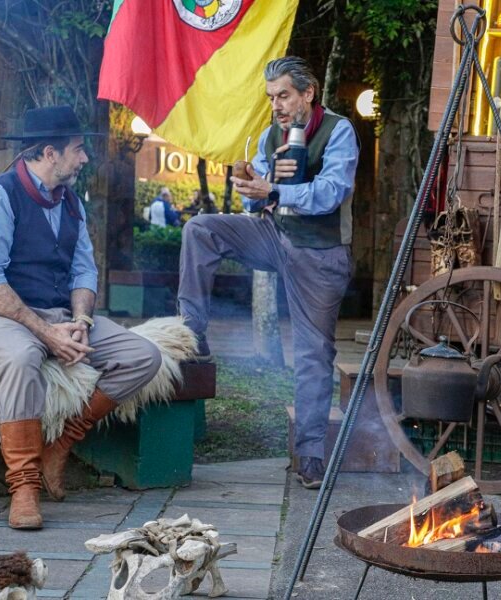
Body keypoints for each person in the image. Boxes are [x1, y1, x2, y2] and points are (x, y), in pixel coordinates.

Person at [0, 105, 162, 530]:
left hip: (59, 314)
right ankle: (24, 486)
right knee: (19, 358)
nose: (84, 157)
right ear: (50, 153)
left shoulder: (72, 201)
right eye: (77, 149)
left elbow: (84, 270)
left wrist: (82, 321)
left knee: (143, 355)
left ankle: (63, 441)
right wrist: (47, 334)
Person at [178, 56, 359, 489]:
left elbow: (332, 193)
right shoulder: (269, 136)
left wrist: (277, 188)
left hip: (320, 252)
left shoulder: (338, 131)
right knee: (201, 228)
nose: (276, 105)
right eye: (271, 97)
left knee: (313, 354)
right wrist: (250, 187)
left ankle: (311, 454)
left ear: (308, 93)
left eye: (284, 96)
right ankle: (192, 332)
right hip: (274, 236)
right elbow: (254, 204)